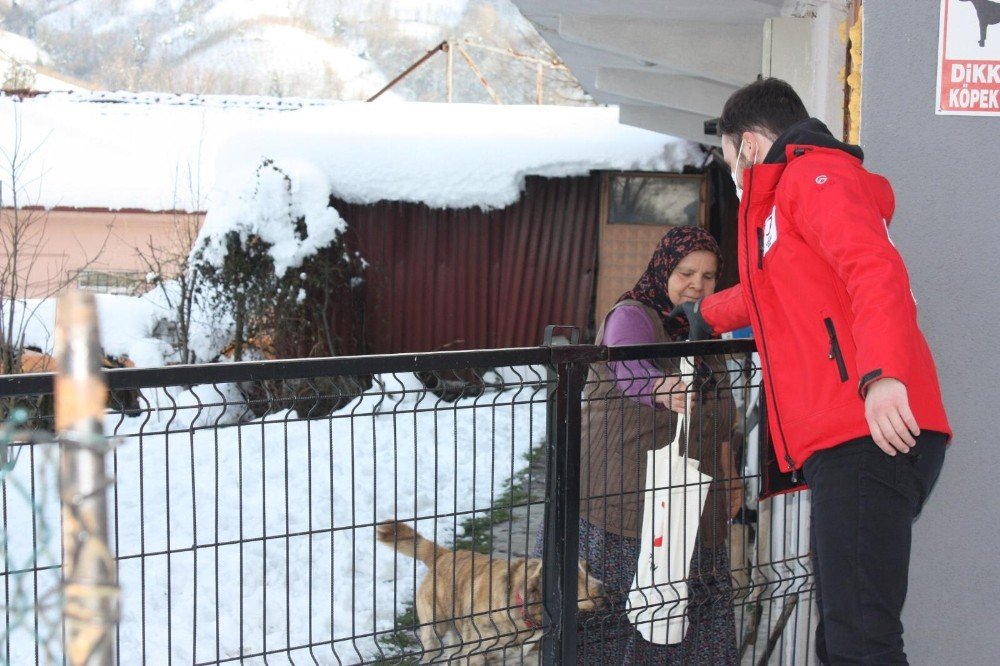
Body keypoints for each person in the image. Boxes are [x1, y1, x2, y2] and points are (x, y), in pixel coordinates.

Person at [672, 78, 951, 664]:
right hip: (847, 436)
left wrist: (882, 376)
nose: (733, 175)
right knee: (845, 632)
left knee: (860, 639)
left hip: (867, 429)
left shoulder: (814, 176)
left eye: (728, 160)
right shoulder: (783, 204)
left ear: (748, 145)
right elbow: (770, 293)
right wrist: (705, 315)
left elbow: (874, 269)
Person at [534, 225, 741, 665]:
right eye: (687, 272)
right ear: (664, 268)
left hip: (692, 503)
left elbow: (722, 418)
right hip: (622, 505)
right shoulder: (631, 315)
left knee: (690, 624)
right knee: (621, 626)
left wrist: (731, 478)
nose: (697, 285)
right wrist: (661, 386)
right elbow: (630, 369)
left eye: (708, 276)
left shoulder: (706, 330)